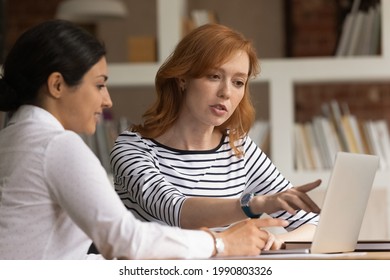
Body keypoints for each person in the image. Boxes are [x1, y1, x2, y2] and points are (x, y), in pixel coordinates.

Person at [0, 19, 288, 260]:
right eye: (99, 85)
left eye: (239, 82)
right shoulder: (58, 146)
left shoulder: (12, 139)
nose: (107, 101)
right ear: (57, 85)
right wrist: (221, 243)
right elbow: (123, 239)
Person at [110, 23, 321, 248]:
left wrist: (278, 240)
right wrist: (254, 205)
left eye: (238, 82)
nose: (226, 92)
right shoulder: (132, 148)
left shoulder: (238, 148)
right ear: (182, 78)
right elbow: (176, 210)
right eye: (213, 76)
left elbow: (313, 223)